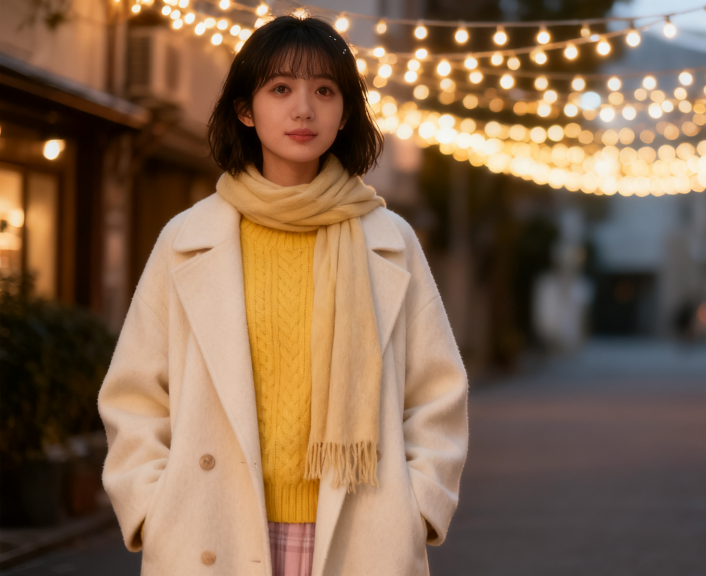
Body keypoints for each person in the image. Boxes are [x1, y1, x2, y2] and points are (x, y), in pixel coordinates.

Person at [97, 15, 469, 576]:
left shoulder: (389, 240)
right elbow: (135, 394)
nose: (303, 109)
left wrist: (417, 510)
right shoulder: (187, 238)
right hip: (210, 533)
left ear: (345, 112)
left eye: (324, 91)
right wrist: (153, 509)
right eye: (280, 89)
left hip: (358, 536)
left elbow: (438, 392)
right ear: (245, 110)